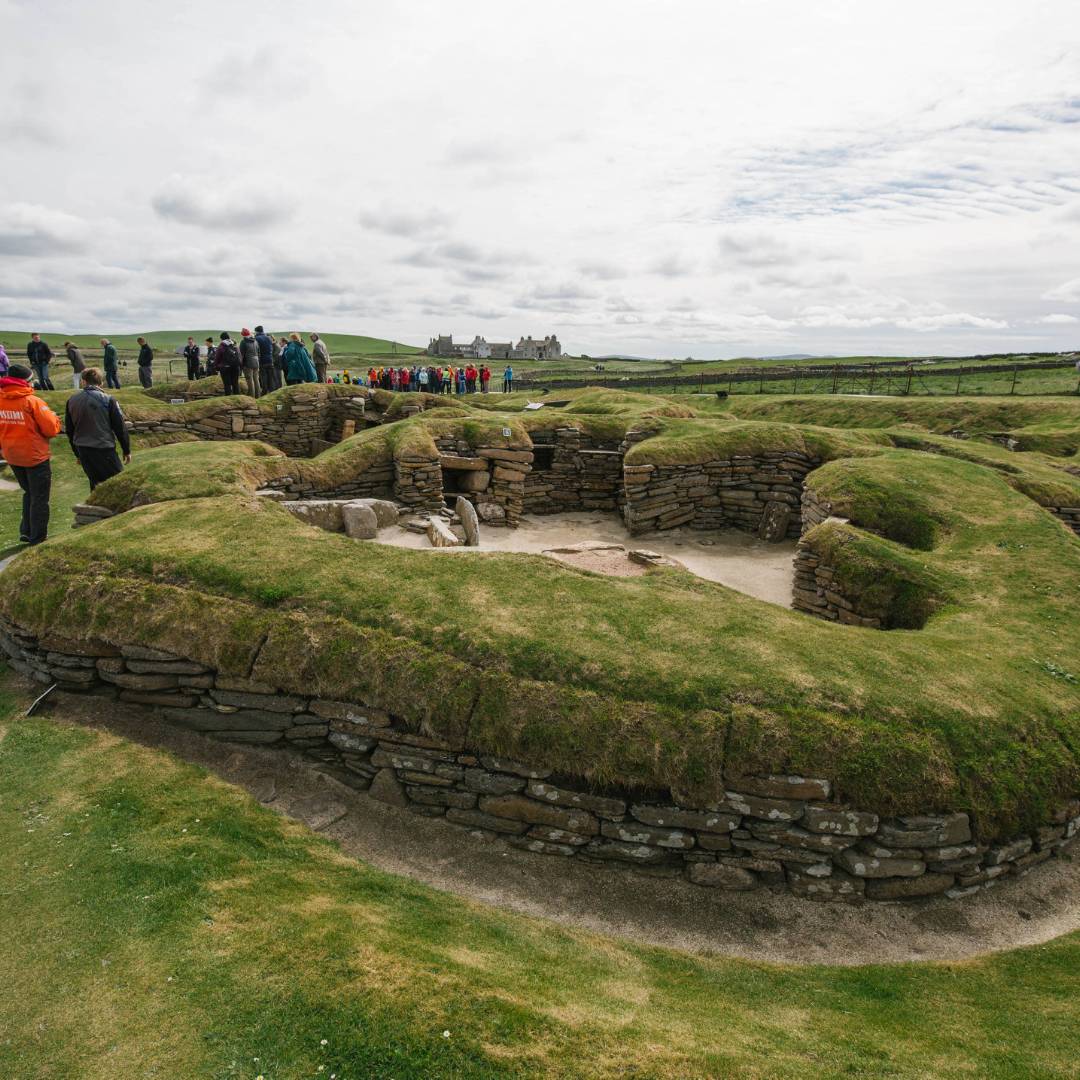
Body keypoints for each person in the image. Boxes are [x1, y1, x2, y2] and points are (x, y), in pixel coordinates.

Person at [0, 363, 62, 544]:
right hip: (35, 456)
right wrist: (55, 418)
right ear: (25, 381)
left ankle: (26, 531)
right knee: (40, 497)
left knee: (29, 492)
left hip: (12, 454)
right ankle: (38, 537)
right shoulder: (32, 401)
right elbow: (51, 429)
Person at [64, 367, 131, 490]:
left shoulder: (71, 400)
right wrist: (126, 450)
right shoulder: (108, 399)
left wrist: (77, 454)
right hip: (104, 448)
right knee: (118, 485)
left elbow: (70, 430)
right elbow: (120, 428)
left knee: (95, 485)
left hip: (83, 450)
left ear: (83, 382)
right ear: (101, 383)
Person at [238, 328, 261, 397]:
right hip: (256, 362)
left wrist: (241, 364)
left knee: (250, 380)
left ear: (243, 335)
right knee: (256, 379)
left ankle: (252, 396)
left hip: (248, 364)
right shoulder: (255, 341)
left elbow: (241, 355)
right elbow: (259, 352)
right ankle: (258, 395)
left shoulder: (243, 342)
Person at [254, 325, 276, 393]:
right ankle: (272, 391)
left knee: (263, 377)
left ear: (257, 331)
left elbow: (256, 350)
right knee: (270, 378)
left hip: (262, 361)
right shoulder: (268, 338)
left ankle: (265, 392)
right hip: (270, 359)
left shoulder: (256, 338)